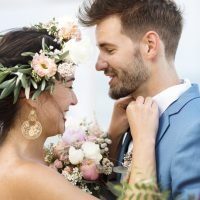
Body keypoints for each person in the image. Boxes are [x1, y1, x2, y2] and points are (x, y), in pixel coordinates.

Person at [0, 19, 159, 200]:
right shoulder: (23, 174)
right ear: (31, 96)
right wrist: (145, 139)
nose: (74, 100)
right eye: (69, 86)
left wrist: (113, 137)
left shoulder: (31, 161)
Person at [78, 0, 200, 199]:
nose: (98, 65)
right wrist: (113, 139)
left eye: (109, 50)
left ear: (150, 46)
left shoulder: (195, 125)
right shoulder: (131, 119)